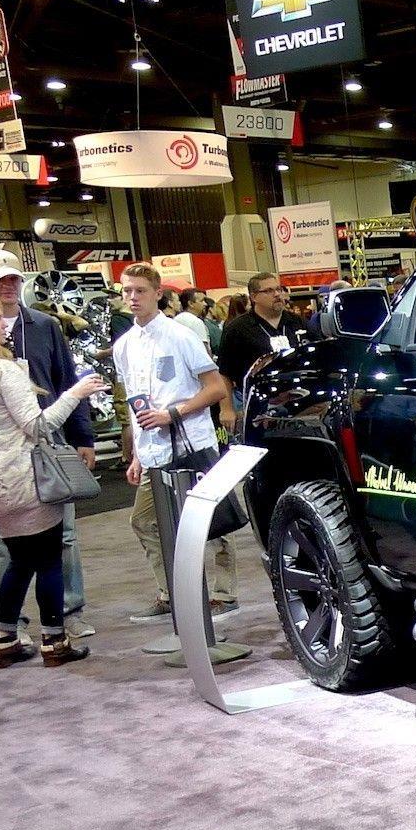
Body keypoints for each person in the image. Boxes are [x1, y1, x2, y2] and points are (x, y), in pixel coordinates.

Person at [0, 288, 108, 666]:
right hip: (22, 483)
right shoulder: (1, 370)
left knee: (19, 560)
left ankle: (4, 638)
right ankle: (54, 641)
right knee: (47, 560)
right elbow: (40, 426)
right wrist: (76, 393)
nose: (4, 325)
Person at [0, 245, 98, 642]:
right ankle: (14, 622)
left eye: (13, 278)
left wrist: (83, 437)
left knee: (66, 538)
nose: (8, 285)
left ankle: (69, 609)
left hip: (49, 448)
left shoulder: (43, 326)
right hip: (0, 458)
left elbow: (65, 377)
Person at [112, 262, 240, 623]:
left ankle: (223, 592)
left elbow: (215, 388)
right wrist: (136, 455)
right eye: (127, 291)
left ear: (158, 294)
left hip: (192, 445)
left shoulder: (180, 335)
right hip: (153, 451)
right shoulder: (123, 346)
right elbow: (134, 402)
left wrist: (174, 413)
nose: (133, 297)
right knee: (146, 522)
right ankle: (171, 592)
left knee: (212, 521)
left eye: (140, 290)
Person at [218, 271, 312, 398]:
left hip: (300, 396)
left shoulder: (298, 322)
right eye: (269, 291)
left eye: (279, 289)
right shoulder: (237, 328)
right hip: (258, 400)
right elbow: (224, 373)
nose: (277, 294)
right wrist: (227, 409)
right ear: (254, 297)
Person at [174, 288, 215, 355]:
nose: (205, 304)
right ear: (190, 303)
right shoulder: (196, 322)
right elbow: (204, 350)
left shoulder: (175, 320)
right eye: (201, 301)